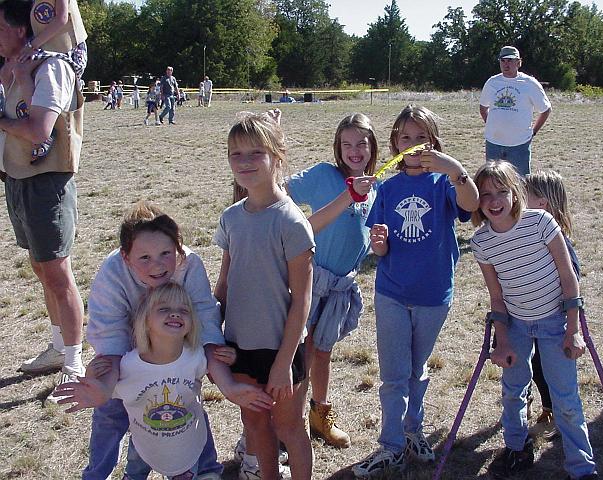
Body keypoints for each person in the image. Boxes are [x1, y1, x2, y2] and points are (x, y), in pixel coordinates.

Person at [75, 201, 273, 480]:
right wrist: (105, 386)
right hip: (128, 358)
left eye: (166, 253)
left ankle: (205, 470)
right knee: (111, 413)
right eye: (144, 257)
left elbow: (205, 318)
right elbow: (110, 336)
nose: (157, 265)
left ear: (178, 249)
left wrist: (226, 382)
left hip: (175, 355)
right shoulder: (112, 273)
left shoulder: (189, 264)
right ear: (125, 256)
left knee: (185, 405)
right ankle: (97, 473)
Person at [352, 104, 479, 478]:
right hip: (392, 292)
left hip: (434, 293)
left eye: (421, 138)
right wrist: (379, 244)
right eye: (405, 138)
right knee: (394, 374)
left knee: (417, 369)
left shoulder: (444, 184)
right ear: (394, 143)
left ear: (434, 143)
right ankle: (391, 445)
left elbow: (470, 205)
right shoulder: (388, 188)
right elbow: (380, 247)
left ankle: (414, 432)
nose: (413, 145)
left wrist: (453, 168)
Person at [470, 160, 597, 480]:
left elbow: (569, 279)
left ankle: (582, 467)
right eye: (485, 194)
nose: (494, 201)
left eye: (502, 192)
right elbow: (496, 297)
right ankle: (516, 447)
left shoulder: (540, 222)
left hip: (555, 321)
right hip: (516, 324)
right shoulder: (481, 242)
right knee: (513, 391)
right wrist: (503, 338)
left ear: (515, 193)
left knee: (565, 397)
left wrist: (573, 329)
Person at [214, 112, 315, 480]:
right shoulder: (230, 218)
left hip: (280, 350)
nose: (244, 162)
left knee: (288, 427)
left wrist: (283, 363)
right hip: (241, 346)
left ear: (277, 155)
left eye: (255, 153)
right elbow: (223, 285)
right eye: (235, 154)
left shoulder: (291, 223)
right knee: (256, 428)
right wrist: (212, 338)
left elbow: (301, 301)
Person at [0, 0, 85, 403]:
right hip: (17, 178)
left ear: (21, 30)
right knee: (40, 267)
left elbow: (37, 132)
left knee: (57, 273)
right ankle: (57, 346)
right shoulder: (13, 69)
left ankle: (74, 362)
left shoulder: (51, 67)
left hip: (45, 181)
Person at [55, 282, 224, 479]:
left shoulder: (197, 357)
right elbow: (108, 392)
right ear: (145, 320)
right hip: (143, 441)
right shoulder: (128, 366)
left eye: (183, 310)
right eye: (164, 309)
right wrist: (92, 380)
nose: (175, 314)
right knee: (136, 469)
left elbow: (216, 372)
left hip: (185, 444)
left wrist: (229, 358)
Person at [286, 113, 378, 449]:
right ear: (338, 147)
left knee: (322, 352)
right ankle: (289, 419)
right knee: (298, 354)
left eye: (361, 144)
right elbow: (281, 193)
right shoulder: (324, 175)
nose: (355, 151)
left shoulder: (375, 189)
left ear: (372, 148)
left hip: (341, 286)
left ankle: (319, 415)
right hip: (309, 280)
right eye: (347, 144)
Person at [524, 169, 581, 441]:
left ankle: (557, 413)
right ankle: (546, 407)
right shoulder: (530, 235)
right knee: (534, 366)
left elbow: (572, 279)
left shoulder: (559, 242)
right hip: (529, 320)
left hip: (553, 322)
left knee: (549, 370)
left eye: (524, 195)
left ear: (542, 203)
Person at [16, 0, 88, 163]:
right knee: (19, 70)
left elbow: (61, 18)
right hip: (49, 46)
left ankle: (41, 132)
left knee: (21, 70)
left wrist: (32, 45)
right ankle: (40, 125)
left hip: (70, 49)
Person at [479, 45, 552, 176]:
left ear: (519, 62)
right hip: (494, 144)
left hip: (519, 145)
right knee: (494, 182)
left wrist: (533, 132)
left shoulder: (529, 83)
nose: (506, 64)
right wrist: (493, 125)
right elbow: (483, 108)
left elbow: (545, 109)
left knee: (521, 183)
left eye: (510, 60)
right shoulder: (492, 82)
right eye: (503, 60)